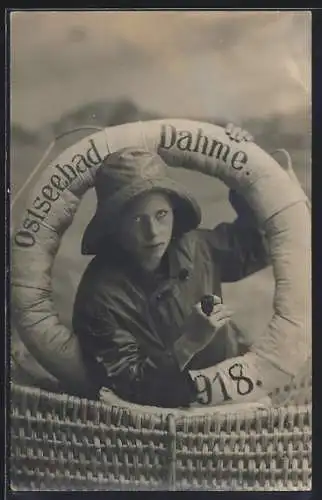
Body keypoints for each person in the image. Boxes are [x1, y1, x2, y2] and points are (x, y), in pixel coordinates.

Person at [72, 125, 270, 407]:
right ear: (113, 226)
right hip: (152, 424)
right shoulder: (99, 297)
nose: (153, 232)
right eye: (138, 220)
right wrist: (189, 341)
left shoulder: (197, 246)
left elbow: (259, 243)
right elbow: (130, 386)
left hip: (232, 402)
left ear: (174, 213)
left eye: (161, 215)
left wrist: (246, 164)